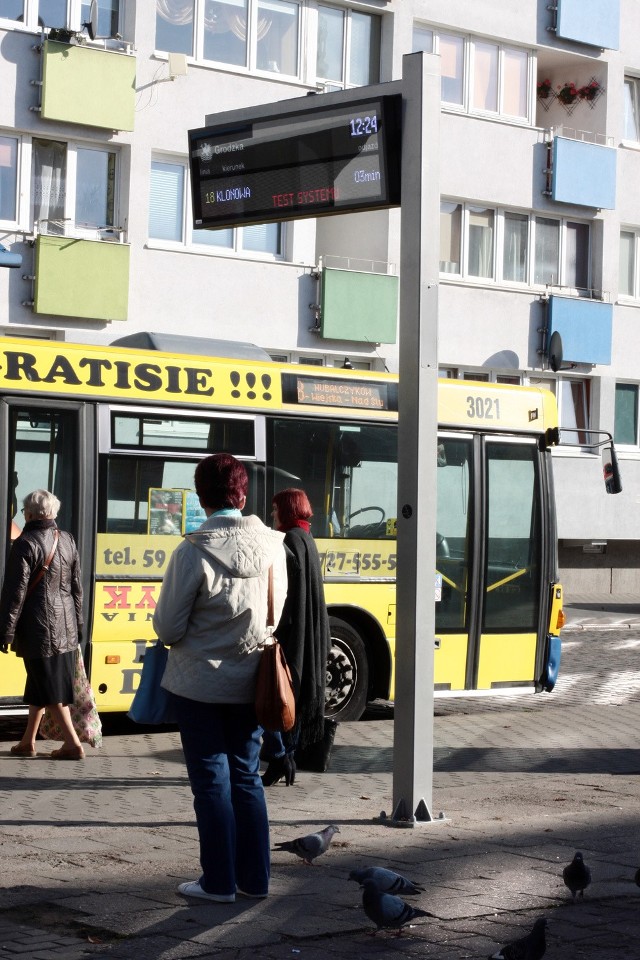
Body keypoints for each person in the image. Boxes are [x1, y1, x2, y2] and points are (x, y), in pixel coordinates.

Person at [153, 453, 287, 903]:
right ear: (243, 493)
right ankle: (256, 879)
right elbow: (275, 615)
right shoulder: (275, 547)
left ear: (201, 497)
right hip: (252, 682)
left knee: (211, 781)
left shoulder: (192, 550)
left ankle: (218, 882)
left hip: (199, 685)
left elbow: (169, 628)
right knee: (247, 776)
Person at [0, 489, 85, 760]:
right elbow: (77, 589)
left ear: (29, 513)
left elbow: (15, 593)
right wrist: (79, 625)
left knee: (49, 690)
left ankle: (72, 745)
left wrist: (6, 631)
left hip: (39, 628)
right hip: (66, 626)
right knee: (39, 684)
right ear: (53, 513)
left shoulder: (25, 543)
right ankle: (27, 742)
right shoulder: (68, 540)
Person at [261, 488, 331, 787]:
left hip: (293, 634)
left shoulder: (289, 540)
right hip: (310, 631)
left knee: (281, 694)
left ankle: (283, 758)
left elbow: (284, 594)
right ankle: (285, 758)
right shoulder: (307, 538)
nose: (273, 515)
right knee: (295, 695)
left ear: (287, 511)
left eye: (276, 509)